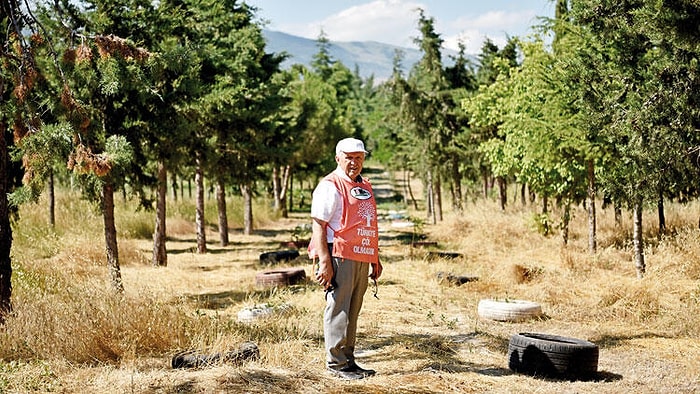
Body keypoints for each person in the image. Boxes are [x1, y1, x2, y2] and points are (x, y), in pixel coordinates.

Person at [310, 137, 383, 380]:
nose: (354, 162)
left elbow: (367, 225)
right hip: (339, 255)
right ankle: (336, 365)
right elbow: (319, 225)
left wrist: (375, 258)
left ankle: (348, 361)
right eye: (349, 157)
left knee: (352, 310)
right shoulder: (330, 185)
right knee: (338, 309)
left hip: (362, 255)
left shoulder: (364, 185)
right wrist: (324, 261)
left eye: (358, 158)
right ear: (338, 158)